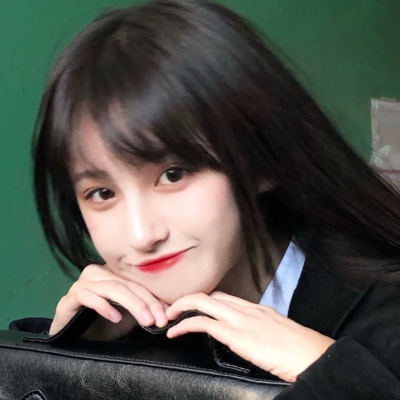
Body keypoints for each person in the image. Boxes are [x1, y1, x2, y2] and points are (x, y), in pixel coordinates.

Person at [10, 0, 400, 398]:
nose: (141, 235)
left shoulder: (384, 316)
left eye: (173, 175)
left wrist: (331, 372)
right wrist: (70, 367)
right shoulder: (109, 332)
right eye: (103, 193)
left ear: (259, 159)